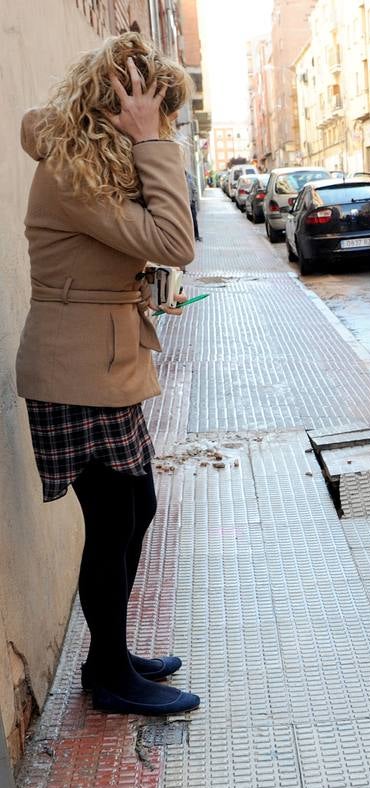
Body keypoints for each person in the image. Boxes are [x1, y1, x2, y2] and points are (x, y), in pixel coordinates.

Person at [17, 33, 200, 715]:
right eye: (157, 110)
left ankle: (110, 657)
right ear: (120, 102)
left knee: (135, 507)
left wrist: (138, 286)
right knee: (115, 517)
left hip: (101, 360)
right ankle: (110, 678)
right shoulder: (72, 169)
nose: (164, 124)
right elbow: (175, 240)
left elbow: (141, 246)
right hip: (75, 368)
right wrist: (152, 142)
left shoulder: (89, 161)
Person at [185, 168, 201, 241]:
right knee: (187, 221)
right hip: (185, 206)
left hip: (191, 204)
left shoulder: (190, 182)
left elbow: (195, 191)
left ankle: (196, 236)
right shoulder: (180, 183)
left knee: (194, 220)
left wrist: (193, 201)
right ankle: (190, 236)